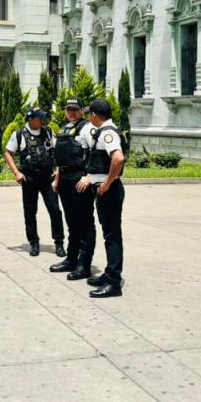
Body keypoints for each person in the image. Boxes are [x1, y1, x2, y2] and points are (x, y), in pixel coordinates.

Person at [75, 98, 125, 297]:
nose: (89, 117)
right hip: (105, 190)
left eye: (90, 114)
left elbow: (118, 158)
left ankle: (113, 283)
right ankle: (109, 273)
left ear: (94, 115)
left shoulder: (107, 133)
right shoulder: (104, 131)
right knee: (109, 235)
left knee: (112, 236)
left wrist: (107, 183)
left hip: (109, 191)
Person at [4, 108, 65, 258]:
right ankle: (34, 243)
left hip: (48, 178)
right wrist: (16, 173)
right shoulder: (19, 134)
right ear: (30, 119)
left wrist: (58, 171)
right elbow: (8, 153)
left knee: (55, 210)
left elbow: (58, 151)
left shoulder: (48, 132)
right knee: (30, 212)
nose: (42, 121)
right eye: (39, 118)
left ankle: (59, 243)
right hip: (29, 179)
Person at [50, 97, 95, 280]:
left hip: (80, 179)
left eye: (75, 109)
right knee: (71, 223)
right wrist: (57, 179)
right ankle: (71, 259)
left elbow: (95, 154)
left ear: (82, 111)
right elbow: (61, 158)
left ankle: (84, 265)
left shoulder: (88, 128)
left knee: (85, 224)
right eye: (69, 109)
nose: (72, 112)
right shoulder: (64, 129)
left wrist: (89, 177)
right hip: (65, 180)